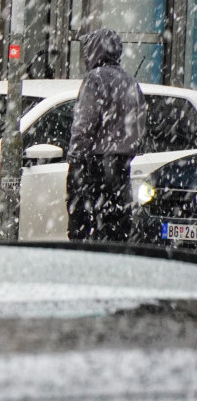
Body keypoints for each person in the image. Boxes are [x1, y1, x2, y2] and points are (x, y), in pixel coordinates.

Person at [66, 28, 146, 242]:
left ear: (94, 51)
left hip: (94, 165)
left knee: (83, 229)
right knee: (116, 229)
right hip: (121, 167)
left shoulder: (95, 79)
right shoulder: (130, 81)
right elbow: (139, 124)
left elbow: (84, 124)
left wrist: (76, 158)